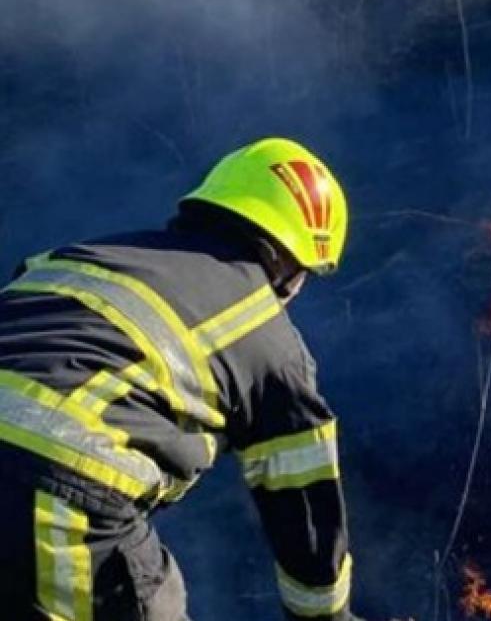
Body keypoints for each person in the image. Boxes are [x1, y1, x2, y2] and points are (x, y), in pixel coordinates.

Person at [0, 138, 363, 620]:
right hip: (62, 486)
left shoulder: (79, 256)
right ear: (290, 265)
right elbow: (304, 502)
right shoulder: (266, 334)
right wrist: (327, 616)